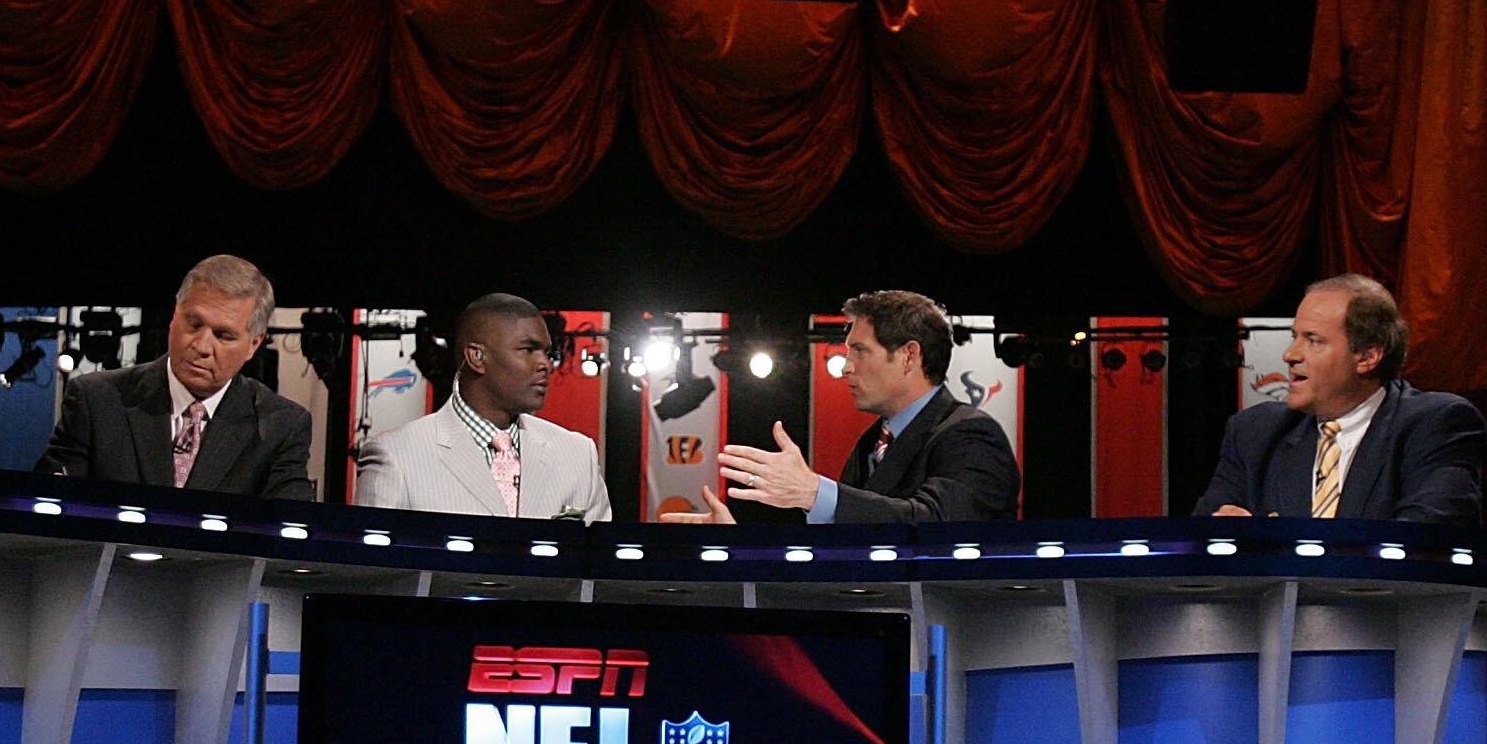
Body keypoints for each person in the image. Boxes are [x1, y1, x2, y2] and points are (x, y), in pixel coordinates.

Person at [678, 290, 1018, 525]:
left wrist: (815, 493)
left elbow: (932, 527)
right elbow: (846, 552)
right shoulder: (872, 444)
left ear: (909, 356)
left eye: (860, 350)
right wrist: (735, 547)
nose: (845, 367)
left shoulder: (971, 435)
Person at [1194, 273, 1483, 525]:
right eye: (1294, 337)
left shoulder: (1435, 424)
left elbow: (1424, 538)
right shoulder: (1255, 432)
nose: (1290, 355)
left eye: (1313, 340)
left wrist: (1279, 543)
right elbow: (1202, 538)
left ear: (1368, 356)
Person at [38, 256, 315, 500]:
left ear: (254, 344)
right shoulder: (95, 401)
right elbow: (49, 504)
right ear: (174, 317)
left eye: (223, 336)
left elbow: (289, 528)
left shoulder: (281, 426)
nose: (202, 346)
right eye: (193, 325)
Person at [356, 294, 611, 521]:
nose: (545, 363)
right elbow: (374, 572)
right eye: (528, 350)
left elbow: (599, 568)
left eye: (546, 351)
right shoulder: (396, 456)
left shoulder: (578, 455)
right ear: (477, 357)